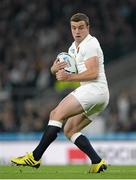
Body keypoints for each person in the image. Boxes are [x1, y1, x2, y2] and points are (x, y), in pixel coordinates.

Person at [11, 13, 109, 173]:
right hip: (100, 96)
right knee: (70, 129)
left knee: (56, 114)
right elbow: (68, 68)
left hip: (94, 89)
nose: (77, 31)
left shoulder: (91, 43)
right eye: (74, 28)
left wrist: (69, 77)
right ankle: (97, 162)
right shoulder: (72, 48)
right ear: (71, 29)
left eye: (81, 28)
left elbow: (93, 73)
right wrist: (53, 69)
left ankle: (35, 157)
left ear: (88, 28)